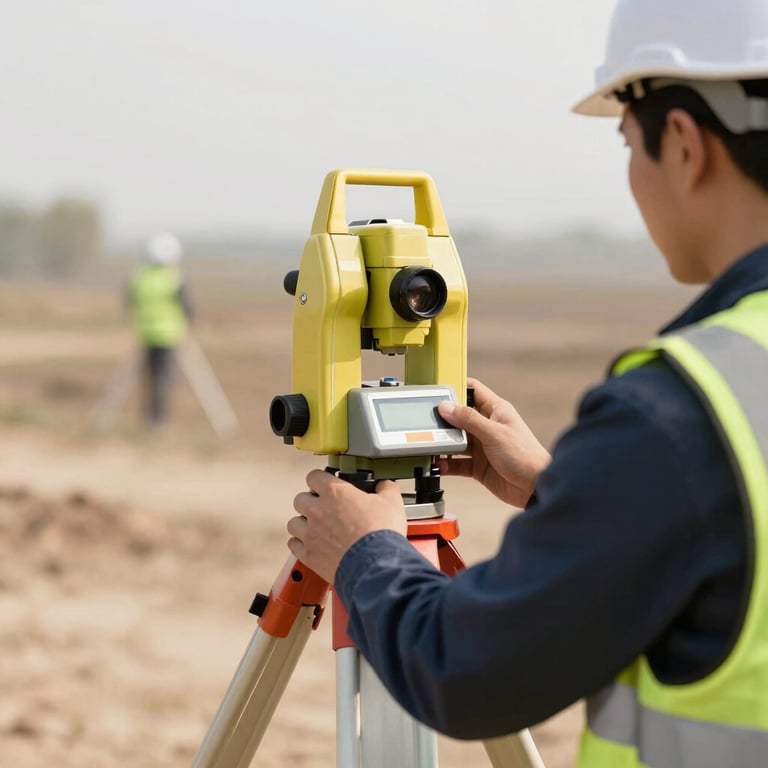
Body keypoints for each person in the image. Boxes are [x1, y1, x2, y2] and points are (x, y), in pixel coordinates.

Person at [287, 0, 768, 764]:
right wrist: (565, 491)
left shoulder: (683, 410)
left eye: (627, 144)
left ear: (682, 143)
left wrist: (365, 555)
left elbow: (469, 670)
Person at [127, 231, 193, 428]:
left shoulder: (140, 277)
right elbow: (187, 306)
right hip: (169, 335)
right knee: (164, 379)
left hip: (145, 333)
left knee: (148, 377)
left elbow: (130, 300)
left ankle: (147, 418)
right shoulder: (173, 278)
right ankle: (159, 420)